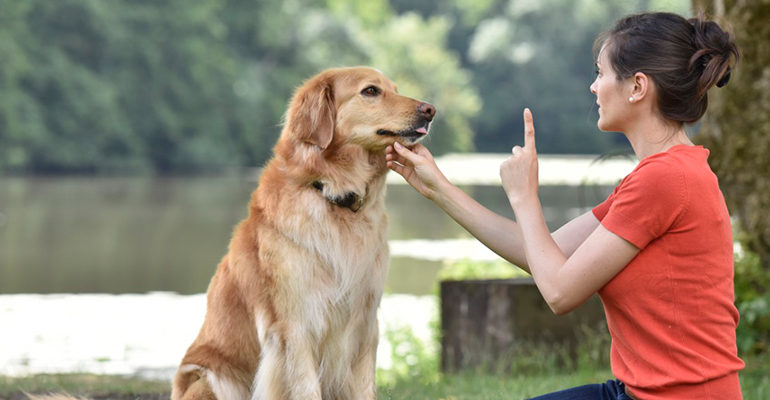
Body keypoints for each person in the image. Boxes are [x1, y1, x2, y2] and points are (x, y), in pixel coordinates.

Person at [386, 11, 743, 400]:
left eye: (600, 74)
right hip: (637, 391)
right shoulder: (662, 175)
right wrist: (439, 188)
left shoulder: (665, 180)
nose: (593, 88)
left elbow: (558, 292)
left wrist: (525, 198)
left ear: (637, 86)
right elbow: (544, 254)